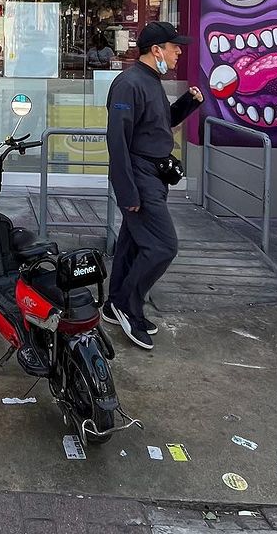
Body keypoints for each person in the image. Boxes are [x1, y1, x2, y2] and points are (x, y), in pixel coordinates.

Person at [103, 21, 204, 350]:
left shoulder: (151, 81)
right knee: (163, 246)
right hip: (140, 178)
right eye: (174, 47)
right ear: (156, 50)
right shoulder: (128, 84)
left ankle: (112, 304)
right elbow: (117, 141)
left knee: (133, 245)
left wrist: (188, 104)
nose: (179, 52)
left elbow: (158, 125)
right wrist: (127, 190)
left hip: (154, 177)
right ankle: (128, 307)